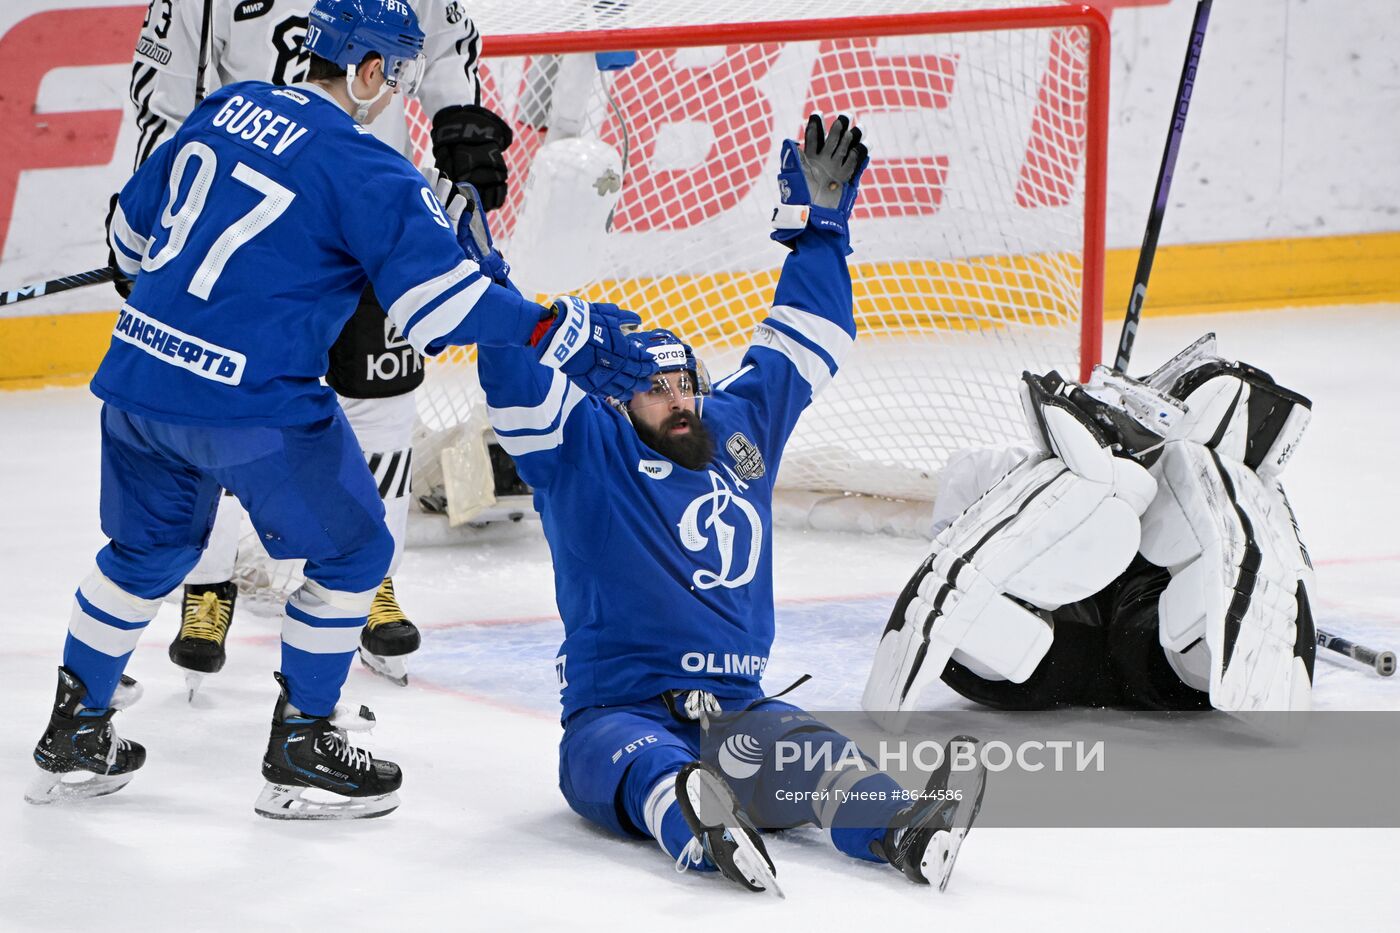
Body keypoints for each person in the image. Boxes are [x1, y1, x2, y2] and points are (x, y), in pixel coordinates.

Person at [27, 0, 655, 819]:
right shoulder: (370, 169)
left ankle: (73, 733)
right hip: (250, 404)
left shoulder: (221, 110)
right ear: (367, 71)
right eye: (394, 75)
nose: (395, 92)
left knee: (143, 551)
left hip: (136, 386)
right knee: (358, 553)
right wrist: (550, 326)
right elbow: (440, 309)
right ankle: (302, 750)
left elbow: (128, 241)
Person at [471, 113, 988, 893]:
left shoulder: (738, 426)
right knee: (640, 766)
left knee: (817, 756)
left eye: (685, 382)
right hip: (621, 712)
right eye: (653, 388)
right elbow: (515, 383)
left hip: (740, 713)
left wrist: (818, 235)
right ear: (617, 397)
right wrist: (496, 301)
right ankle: (695, 819)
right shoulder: (582, 448)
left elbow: (806, 339)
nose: (677, 400)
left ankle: (902, 830)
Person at [128, 0, 518, 688]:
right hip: (248, 227)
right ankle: (208, 584)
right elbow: (162, 92)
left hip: (368, 206)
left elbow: (446, 42)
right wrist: (167, 202)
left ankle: (372, 582)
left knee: (384, 402)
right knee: (218, 400)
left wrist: (460, 133)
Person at [863, 336, 1317, 720]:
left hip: (1027, 671)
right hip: (1154, 662)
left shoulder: (1009, 466)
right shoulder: (1223, 500)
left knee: (1017, 605)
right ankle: (1210, 643)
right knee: (1177, 641)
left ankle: (996, 619)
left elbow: (947, 524)